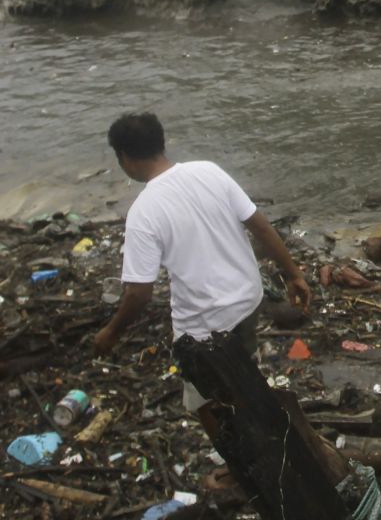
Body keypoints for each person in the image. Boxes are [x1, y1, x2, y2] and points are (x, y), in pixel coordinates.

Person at [93, 112, 311, 416]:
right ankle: (254, 415)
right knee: (242, 372)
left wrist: (112, 332)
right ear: (161, 143)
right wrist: (294, 275)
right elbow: (260, 226)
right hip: (248, 298)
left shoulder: (143, 212)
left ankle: (238, 454)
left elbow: (138, 293)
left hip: (205, 324)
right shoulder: (209, 171)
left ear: (125, 157)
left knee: (205, 404)